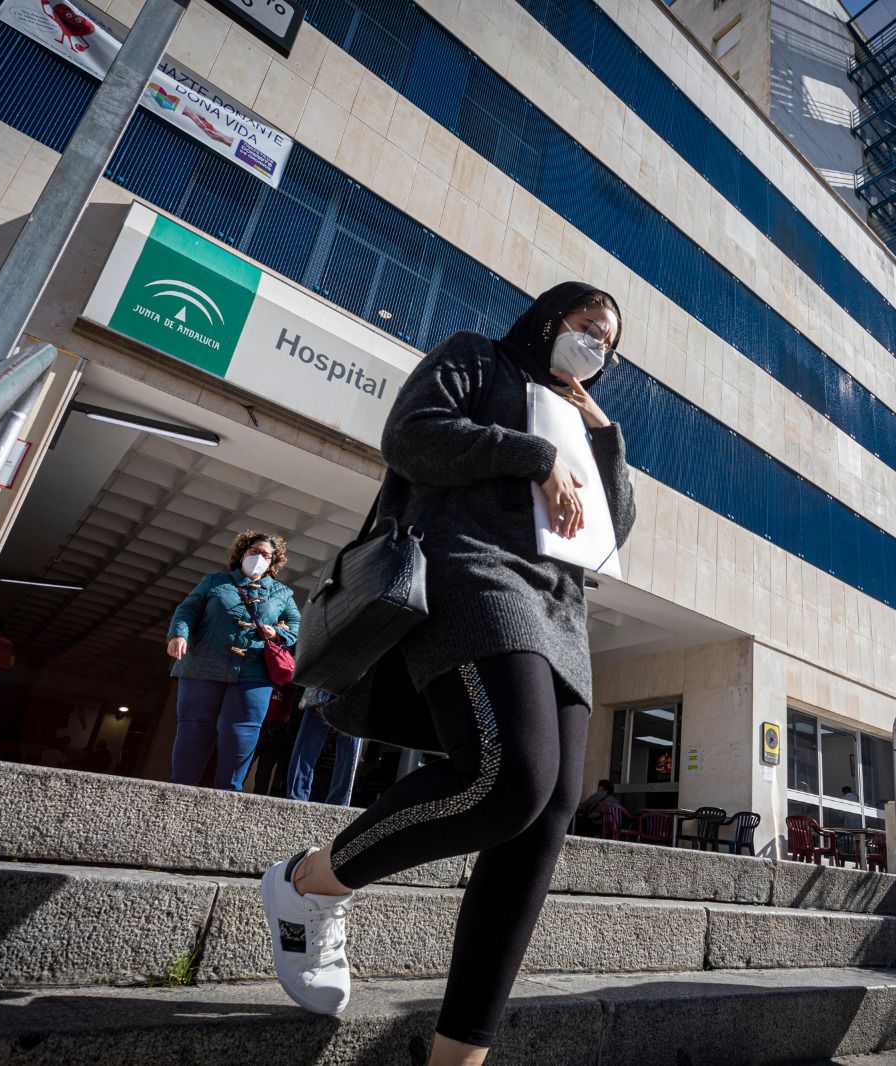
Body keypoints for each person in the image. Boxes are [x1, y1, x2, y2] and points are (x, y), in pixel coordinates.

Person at [257, 282, 636, 1066]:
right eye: (588, 328)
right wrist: (534, 453)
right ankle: (309, 882)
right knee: (509, 782)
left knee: (544, 819)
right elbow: (412, 435)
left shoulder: (584, 417)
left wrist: (603, 440)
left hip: (561, 605)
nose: (599, 348)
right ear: (547, 320)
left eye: (611, 344)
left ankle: (458, 1060)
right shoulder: (478, 358)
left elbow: (611, 528)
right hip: (472, 572)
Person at [165, 531, 301, 792]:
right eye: (254, 552)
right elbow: (187, 610)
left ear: (273, 562)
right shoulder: (214, 581)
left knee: (241, 733)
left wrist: (277, 632)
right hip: (202, 665)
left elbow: (296, 625)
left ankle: (228, 792)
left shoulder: (282, 593)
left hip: (254, 672)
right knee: (194, 728)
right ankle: (179, 789)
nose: (258, 558)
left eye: (266, 555)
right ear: (242, 553)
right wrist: (178, 635)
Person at [287, 689, 364, 806]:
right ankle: (338, 804)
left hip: (331, 683)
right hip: (352, 685)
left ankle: (297, 797)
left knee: (309, 740)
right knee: (349, 746)